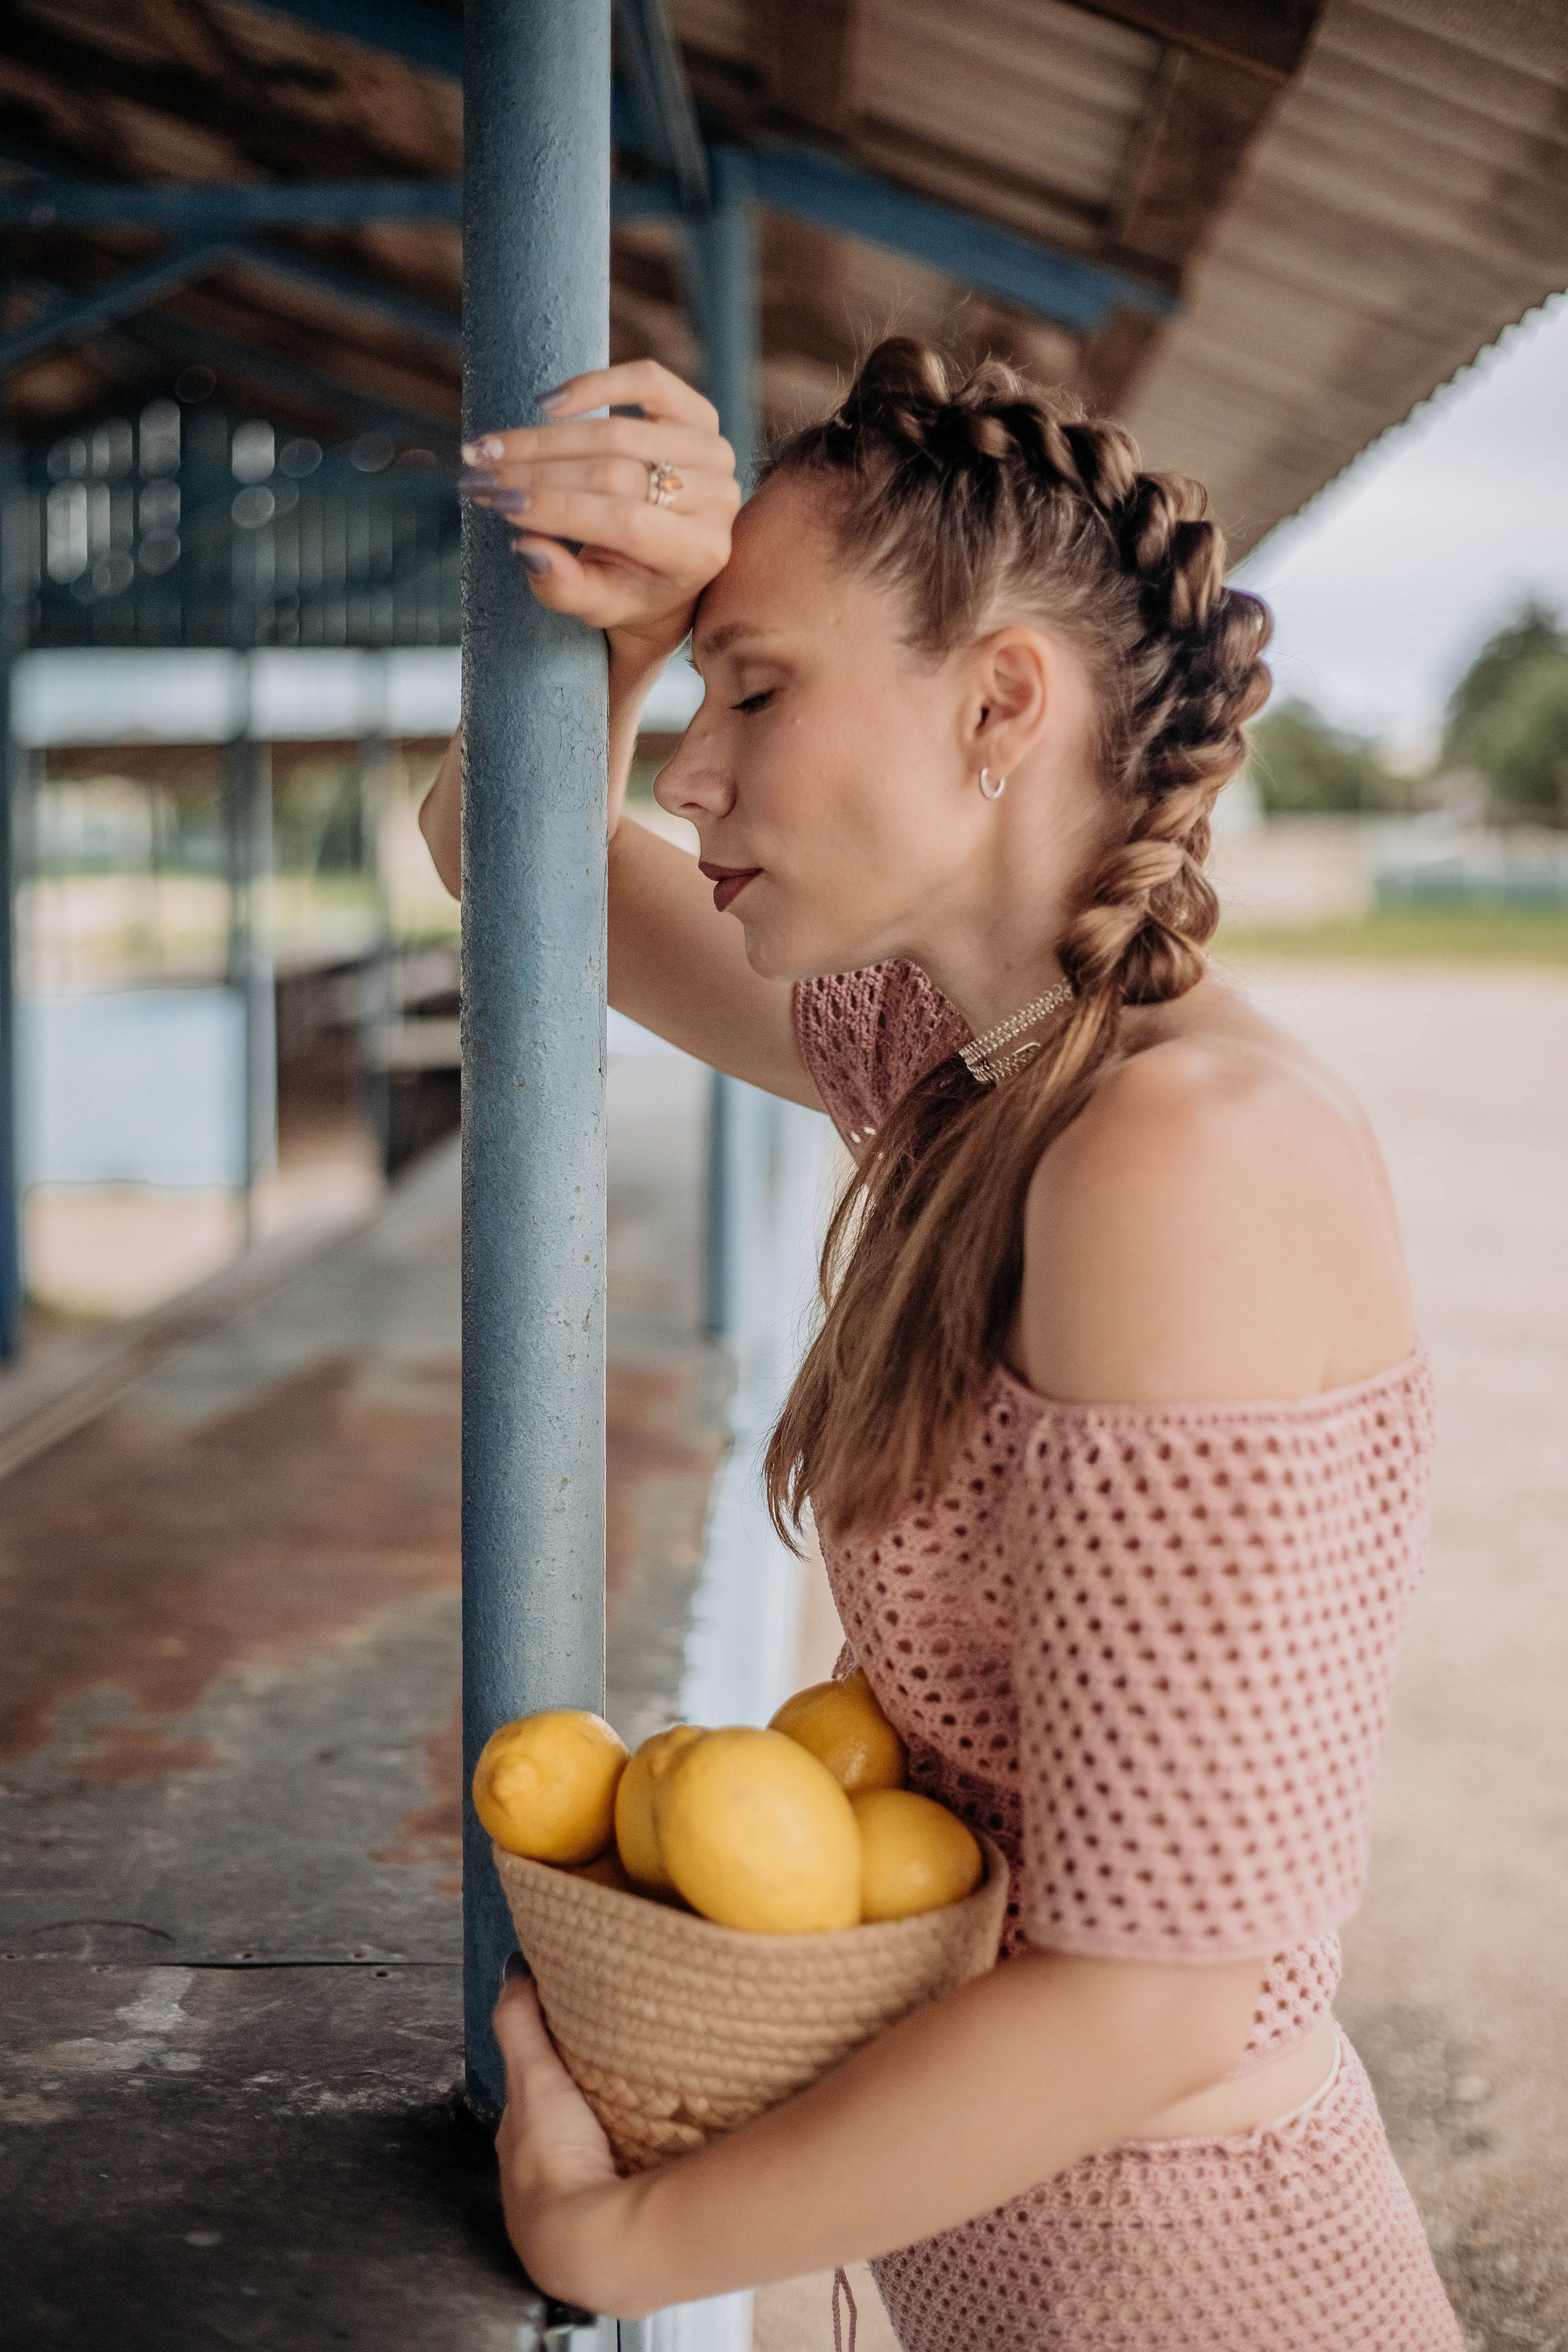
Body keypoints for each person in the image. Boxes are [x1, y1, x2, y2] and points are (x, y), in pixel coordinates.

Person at [420, 339, 1463, 2349]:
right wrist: (629, 632)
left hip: (1191, 2299)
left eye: (762, 690)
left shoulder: (1182, 1162)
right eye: (708, 701)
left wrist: (625, 2250)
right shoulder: (968, 1075)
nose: (698, 771)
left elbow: (1149, 1997)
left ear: (1000, 703)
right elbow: (505, 847)